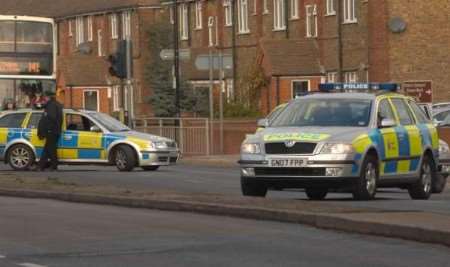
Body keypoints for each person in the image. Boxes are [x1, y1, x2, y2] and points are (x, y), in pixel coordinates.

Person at [37, 91, 63, 171]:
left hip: (52, 131)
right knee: (49, 148)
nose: (44, 98)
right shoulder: (54, 104)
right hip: (54, 130)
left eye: (45, 97)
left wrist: (48, 129)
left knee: (49, 149)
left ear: (48, 97)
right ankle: (43, 166)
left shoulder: (51, 106)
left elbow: (52, 118)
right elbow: (40, 107)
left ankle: (47, 166)